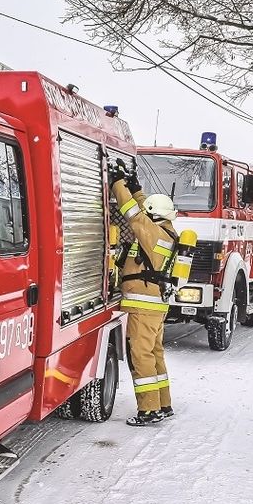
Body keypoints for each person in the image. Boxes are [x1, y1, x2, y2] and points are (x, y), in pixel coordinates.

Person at [110, 160, 178, 427]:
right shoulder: (167, 233)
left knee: (142, 357)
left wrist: (117, 184)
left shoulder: (151, 232)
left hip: (142, 307)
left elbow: (134, 215)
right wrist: (137, 188)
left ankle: (148, 411)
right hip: (155, 306)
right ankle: (163, 403)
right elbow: (144, 210)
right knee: (155, 354)